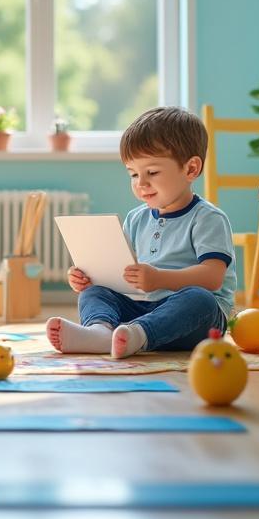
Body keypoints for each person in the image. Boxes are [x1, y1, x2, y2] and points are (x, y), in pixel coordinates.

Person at [46, 107, 237, 359]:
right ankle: (101, 332)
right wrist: (89, 277)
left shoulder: (208, 218)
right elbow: (125, 276)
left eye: (152, 172)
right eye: (134, 174)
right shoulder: (136, 218)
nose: (141, 183)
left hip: (195, 321)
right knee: (94, 293)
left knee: (199, 299)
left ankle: (138, 335)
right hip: (144, 308)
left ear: (191, 169)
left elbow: (212, 278)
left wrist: (159, 279)